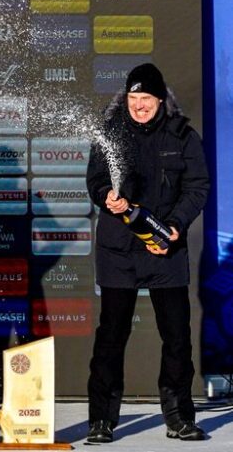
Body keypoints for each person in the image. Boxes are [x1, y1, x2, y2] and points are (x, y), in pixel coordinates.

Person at [85, 63, 210, 444]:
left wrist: (174, 225)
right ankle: (101, 420)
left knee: (177, 336)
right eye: (133, 98)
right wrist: (106, 197)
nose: (139, 106)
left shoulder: (183, 135)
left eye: (146, 99)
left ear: (160, 99)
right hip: (119, 251)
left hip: (164, 247)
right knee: (111, 335)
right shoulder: (110, 133)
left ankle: (179, 416)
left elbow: (197, 187)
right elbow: (96, 179)